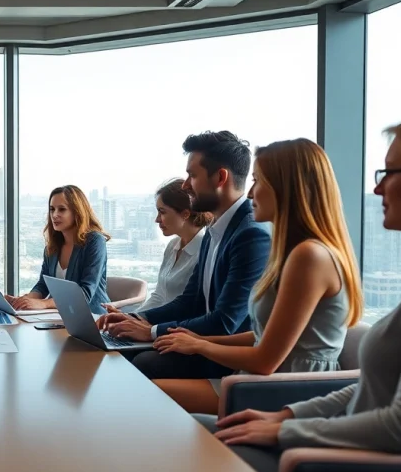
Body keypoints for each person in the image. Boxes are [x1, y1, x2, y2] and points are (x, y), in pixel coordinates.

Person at [211, 106, 401, 472]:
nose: (377, 188)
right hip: (339, 453)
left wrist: (287, 433)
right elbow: (372, 388)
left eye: (390, 173)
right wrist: (287, 416)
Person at [150, 139, 363, 414]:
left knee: (146, 392)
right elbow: (263, 337)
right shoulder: (296, 253)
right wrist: (195, 342)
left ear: (288, 189)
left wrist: (201, 345)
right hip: (268, 382)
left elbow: (265, 360)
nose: (250, 193)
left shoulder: (309, 257)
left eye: (258, 181)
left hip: (291, 391)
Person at [97, 131, 271, 379]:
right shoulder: (216, 229)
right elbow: (190, 300)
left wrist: (152, 332)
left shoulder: (251, 235)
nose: (185, 185)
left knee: (140, 361)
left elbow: (226, 322)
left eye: (192, 175)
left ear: (220, 177)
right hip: (204, 345)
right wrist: (133, 318)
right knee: (119, 351)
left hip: (226, 356)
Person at [7, 185, 110, 313]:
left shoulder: (95, 241)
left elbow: (85, 294)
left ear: (77, 212)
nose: (55, 215)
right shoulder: (53, 246)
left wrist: (43, 304)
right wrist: (23, 301)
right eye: (52, 209)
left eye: (62, 209)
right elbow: (42, 285)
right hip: (60, 317)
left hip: (93, 319)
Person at [129, 179, 211, 313]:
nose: (157, 219)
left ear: (185, 214)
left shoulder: (204, 251)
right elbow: (159, 296)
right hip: (156, 325)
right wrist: (129, 318)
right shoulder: (172, 246)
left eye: (162, 212)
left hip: (178, 329)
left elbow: (192, 307)